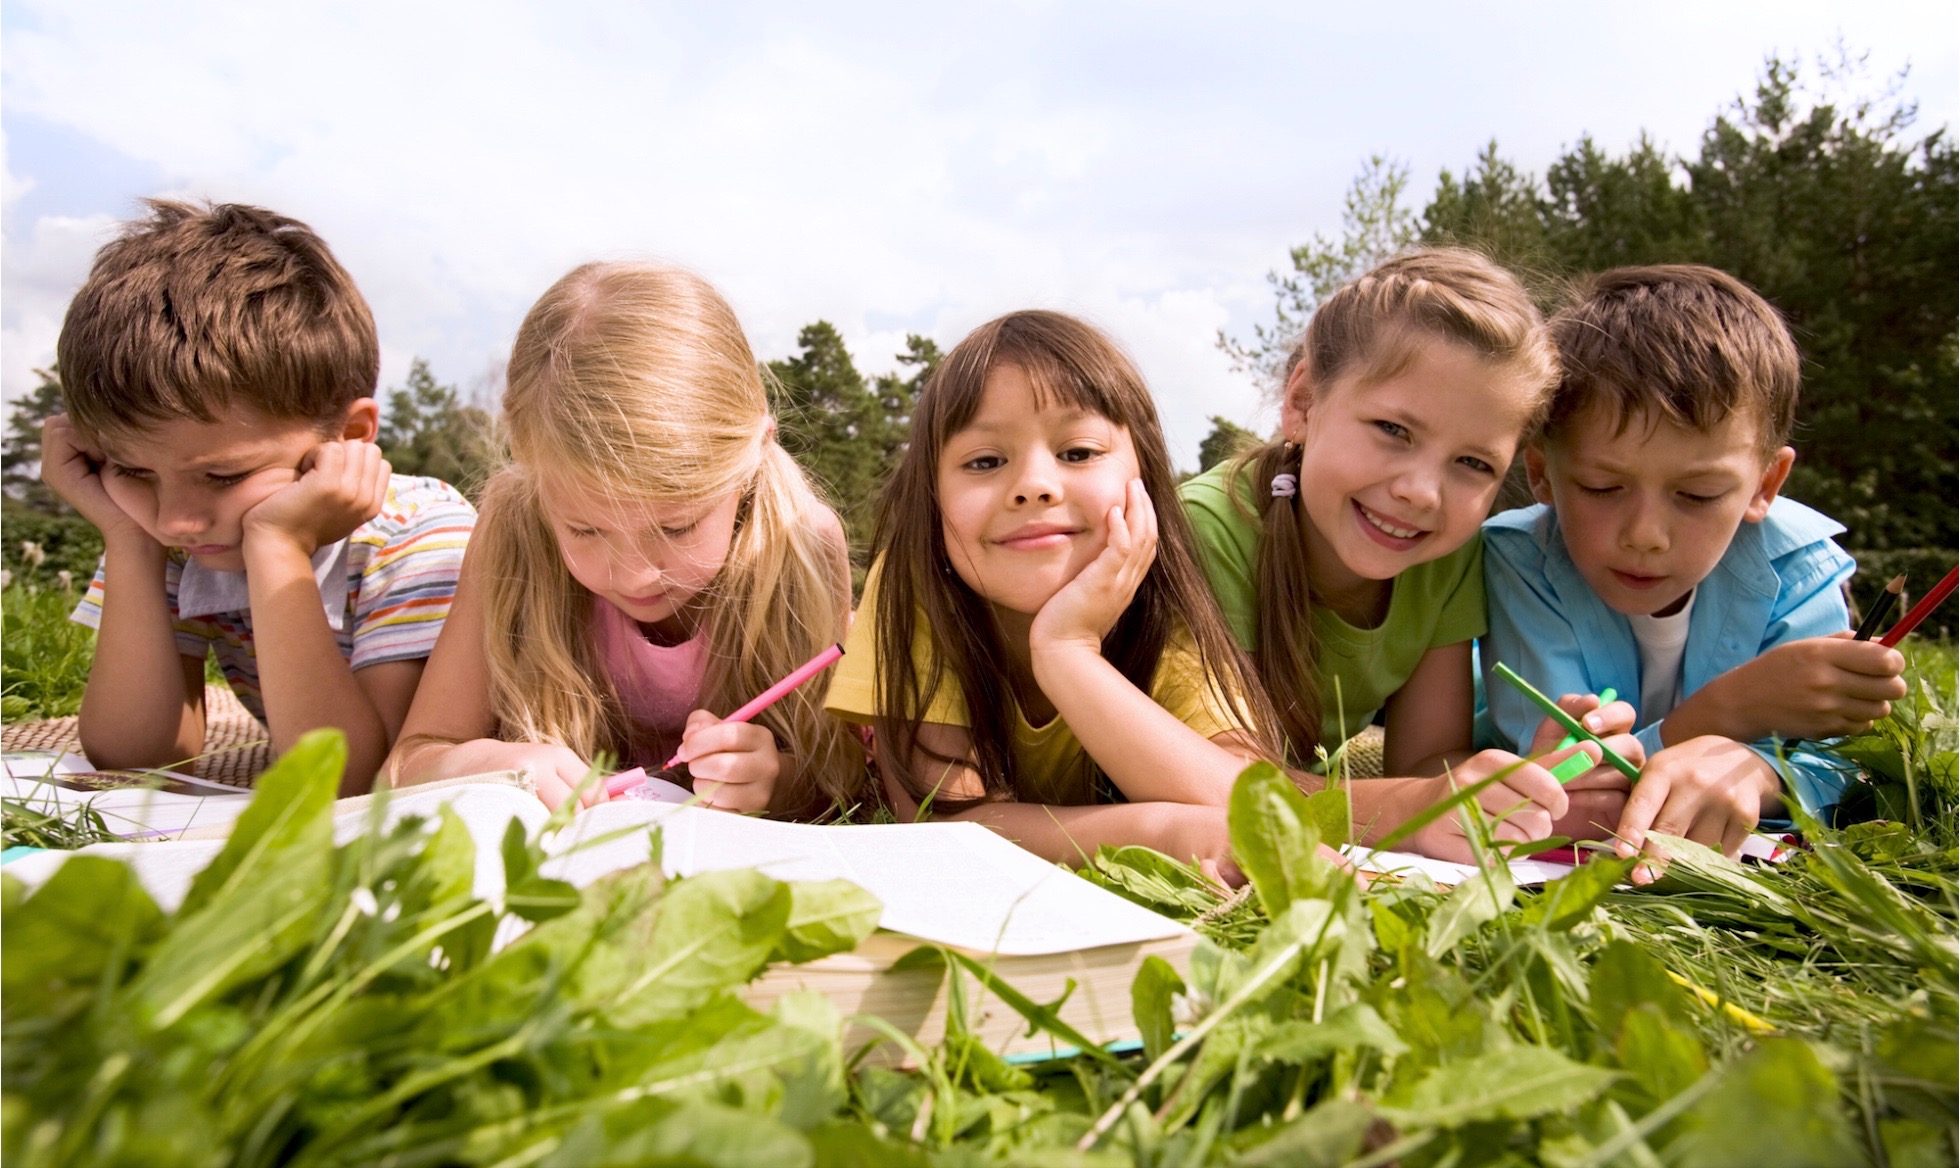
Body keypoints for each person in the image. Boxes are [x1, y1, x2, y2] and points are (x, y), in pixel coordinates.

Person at [1180, 248, 1624, 862]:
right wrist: (1414, 811)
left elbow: (1424, 760)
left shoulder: (1446, 554)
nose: (1422, 492)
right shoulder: (1206, 530)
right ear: (1303, 402)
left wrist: (1525, 789)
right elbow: (1214, 779)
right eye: (1394, 430)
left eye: (1472, 464)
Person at [825, 310, 1289, 885]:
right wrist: (1160, 833)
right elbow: (940, 819)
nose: (1034, 485)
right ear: (932, 498)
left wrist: (1067, 652)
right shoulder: (914, 589)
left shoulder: (1160, 606)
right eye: (986, 461)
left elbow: (1255, 809)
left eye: (1078, 453)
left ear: (1143, 477)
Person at [388, 262, 864, 817]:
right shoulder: (512, 530)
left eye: (676, 526)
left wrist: (776, 781)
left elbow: (840, 770)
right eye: (586, 530)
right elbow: (406, 764)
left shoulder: (801, 543)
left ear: (752, 457)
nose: (637, 574)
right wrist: (476, 763)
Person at [1481, 264, 1906, 877]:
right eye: (1602, 487)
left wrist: (1759, 775)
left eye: (1699, 495)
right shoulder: (1518, 561)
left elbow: (1842, 764)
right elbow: (1569, 776)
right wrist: (1727, 713)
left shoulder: (1799, 565)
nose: (1645, 535)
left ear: (1766, 485)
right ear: (1542, 474)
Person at [47, 200, 474, 793]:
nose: (178, 520)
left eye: (224, 477)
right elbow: (135, 757)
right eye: (132, 470)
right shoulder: (165, 530)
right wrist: (127, 541)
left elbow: (357, 780)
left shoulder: (420, 535)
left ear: (348, 437)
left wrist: (278, 547)